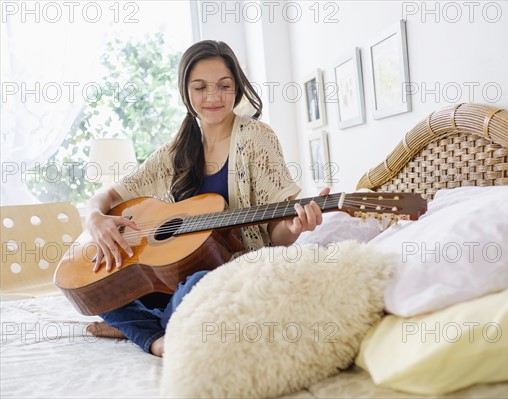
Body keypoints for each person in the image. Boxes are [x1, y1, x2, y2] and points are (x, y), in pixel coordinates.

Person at [84, 40, 329, 357]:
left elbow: (277, 236)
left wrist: (295, 228)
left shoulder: (256, 138)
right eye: (200, 87)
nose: (213, 97)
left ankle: (143, 331)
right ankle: (160, 331)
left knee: (200, 284)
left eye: (223, 86)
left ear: (237, 88)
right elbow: (109, 194)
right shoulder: (172, 153)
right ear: (185, 92)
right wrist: (94, 218)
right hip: (175, 282)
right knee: (101, 290)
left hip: (230, 276)